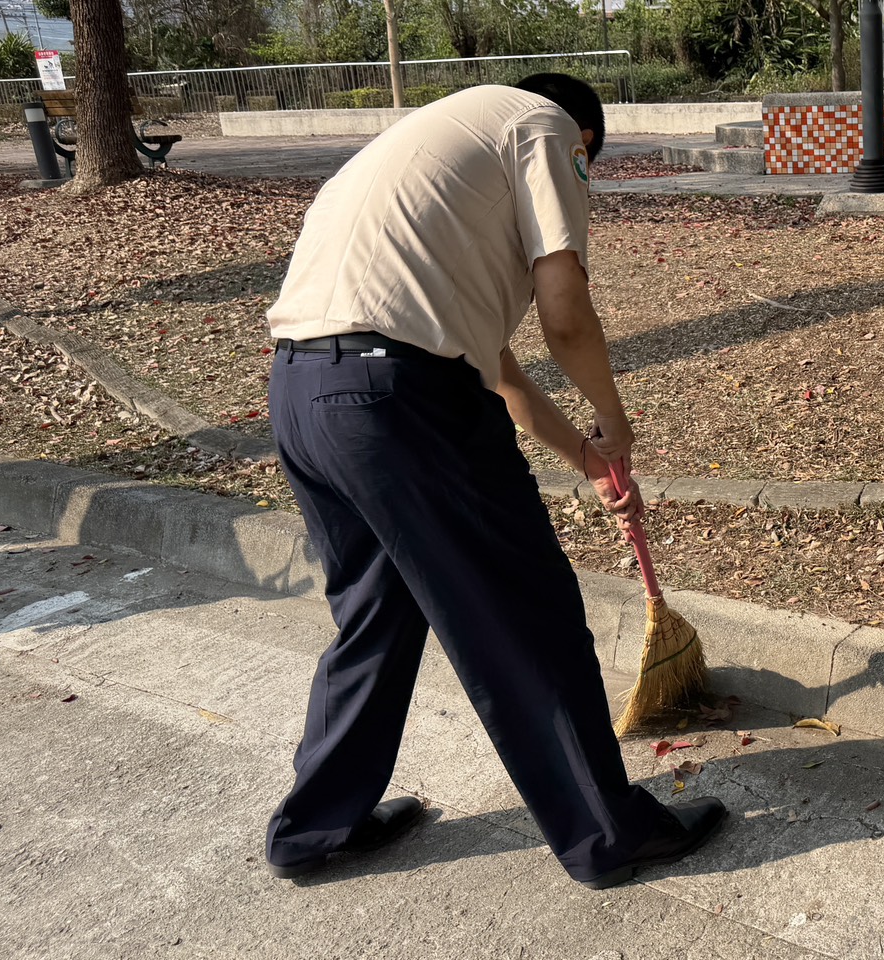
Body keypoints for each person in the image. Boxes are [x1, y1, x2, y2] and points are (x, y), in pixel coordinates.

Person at [261, 73, 725, 889]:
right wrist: (614, 420)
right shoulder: (545, 126)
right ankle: (608, 834)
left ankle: (313, 830)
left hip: (304, 393)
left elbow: (498, 370)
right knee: (528, 612)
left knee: (375, 613)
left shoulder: (430, 151)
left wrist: (586, 459)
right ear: (585, 144)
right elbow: (564, 306)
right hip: (402, 400)